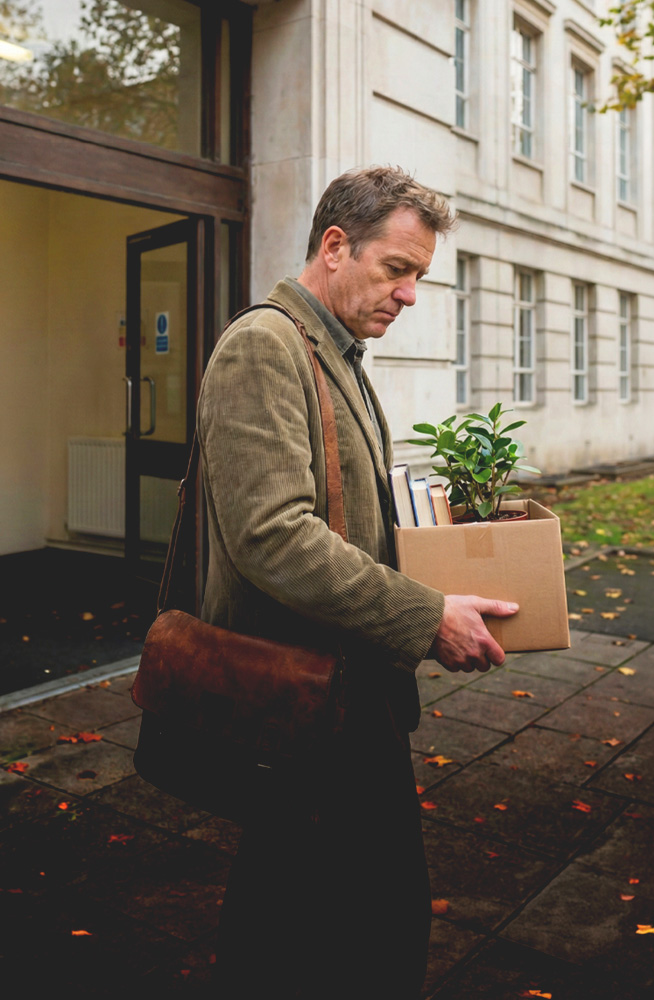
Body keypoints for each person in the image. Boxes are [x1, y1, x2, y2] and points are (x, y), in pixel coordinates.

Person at [197, 166, 518, 998]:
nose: (411, 295)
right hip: (305, 697)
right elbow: (273, 536)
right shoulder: (264, 346)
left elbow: (346, 514)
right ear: (335, 247)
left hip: (344, 690)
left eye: (419, 276)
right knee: (360, 921)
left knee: (302, 916)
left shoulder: (334, 349)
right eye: (397, 270)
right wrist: (425, 616)